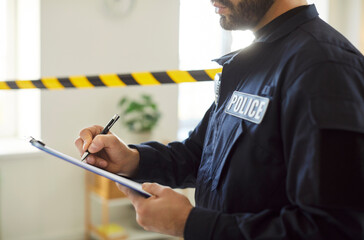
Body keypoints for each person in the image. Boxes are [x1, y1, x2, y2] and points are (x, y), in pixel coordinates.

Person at [75, 0, 364, 239]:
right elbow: (201, 154)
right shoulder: (256, 60)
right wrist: (133, 159)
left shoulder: (324, 67)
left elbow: (332, 228)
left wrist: (190, 223)